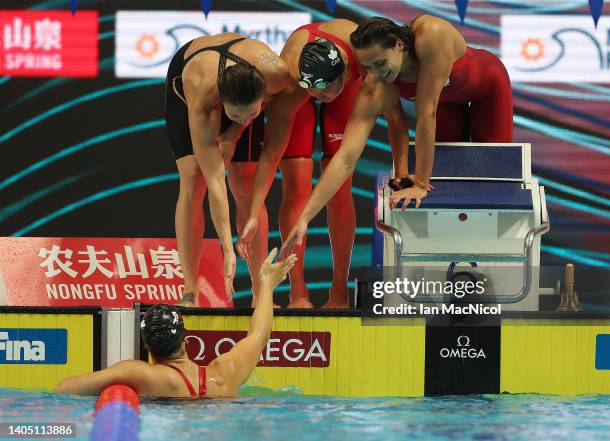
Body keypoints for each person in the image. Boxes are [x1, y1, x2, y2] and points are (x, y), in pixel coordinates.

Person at [279, 15, 512, 255]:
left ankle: (500, 255)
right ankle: (459, 260)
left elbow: (426, 115)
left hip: (487, 88)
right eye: (367, 67)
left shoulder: (431, 35)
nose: (375, 73)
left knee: (495, 179)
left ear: (399, 45)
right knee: (445, 188)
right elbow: (346, 158)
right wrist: (304, 218)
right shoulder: (378, 83)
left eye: (379, 63)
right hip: (446, 104)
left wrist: (420, 183)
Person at [236, 19, 411, 309]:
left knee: (339, 189)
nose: (320, 98)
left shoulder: (364, 63)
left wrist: (403, 173)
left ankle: (339, 290)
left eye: (326, 92)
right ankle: (298, 292)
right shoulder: (292, 84)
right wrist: (253, 211)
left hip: (347, 82)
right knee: (296, 186)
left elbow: (396, 120)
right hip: (298, 89)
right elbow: (271, 155)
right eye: (315, 94)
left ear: (343, 73)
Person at [54, 249, 297, 398]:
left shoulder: (142, 374)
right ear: (186, 340)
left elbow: (64, 389)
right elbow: (259, 335)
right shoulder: (225, 374)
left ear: (148, 348)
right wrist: (266, 285)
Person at [165, 32, 289, 307]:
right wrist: (227, 248)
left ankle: (261, 291)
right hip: (189, 79)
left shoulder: (276, 73)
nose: (245, 119)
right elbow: (215, 181)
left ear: (262, 95)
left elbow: (275, 103)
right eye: (234, 115)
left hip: (244, 82)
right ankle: (189, 291)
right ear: (222, 105)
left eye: (253, 114)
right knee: (193, 179)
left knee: (245, 183)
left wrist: (236, 130)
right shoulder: (202, 98)